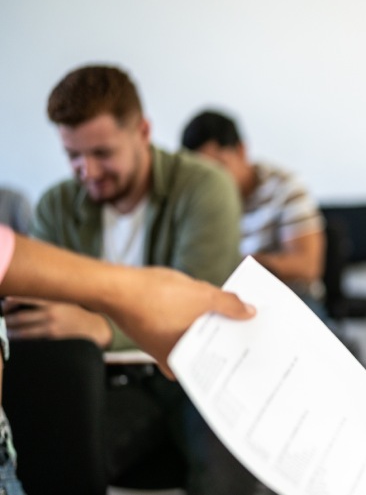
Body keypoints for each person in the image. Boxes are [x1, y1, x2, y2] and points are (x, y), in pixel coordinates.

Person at [6, 64, 259, 494]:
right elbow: (46, 310)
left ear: (142, 131)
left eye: (102, 153)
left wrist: (100, 326)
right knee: (41, 450)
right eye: (73, 155)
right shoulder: (56, 205)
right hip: (96, 379)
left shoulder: (204, 187)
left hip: (190, 376)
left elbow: (198, 312)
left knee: (224, 471)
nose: (87, 170)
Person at [0, 225, 256, 495]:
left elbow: (200, 311)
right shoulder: (59, 204)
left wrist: (109, 320)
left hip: (171, 378)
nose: (89, 178)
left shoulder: (200, 193)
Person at [179, 109, 329, 320]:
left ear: (241, 151)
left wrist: (247, 264)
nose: (213, 181)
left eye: (220, 167)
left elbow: (307, 266)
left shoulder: (285, 189)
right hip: (224, 302)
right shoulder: (199, 200)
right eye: (204, 173)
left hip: (291, 301)